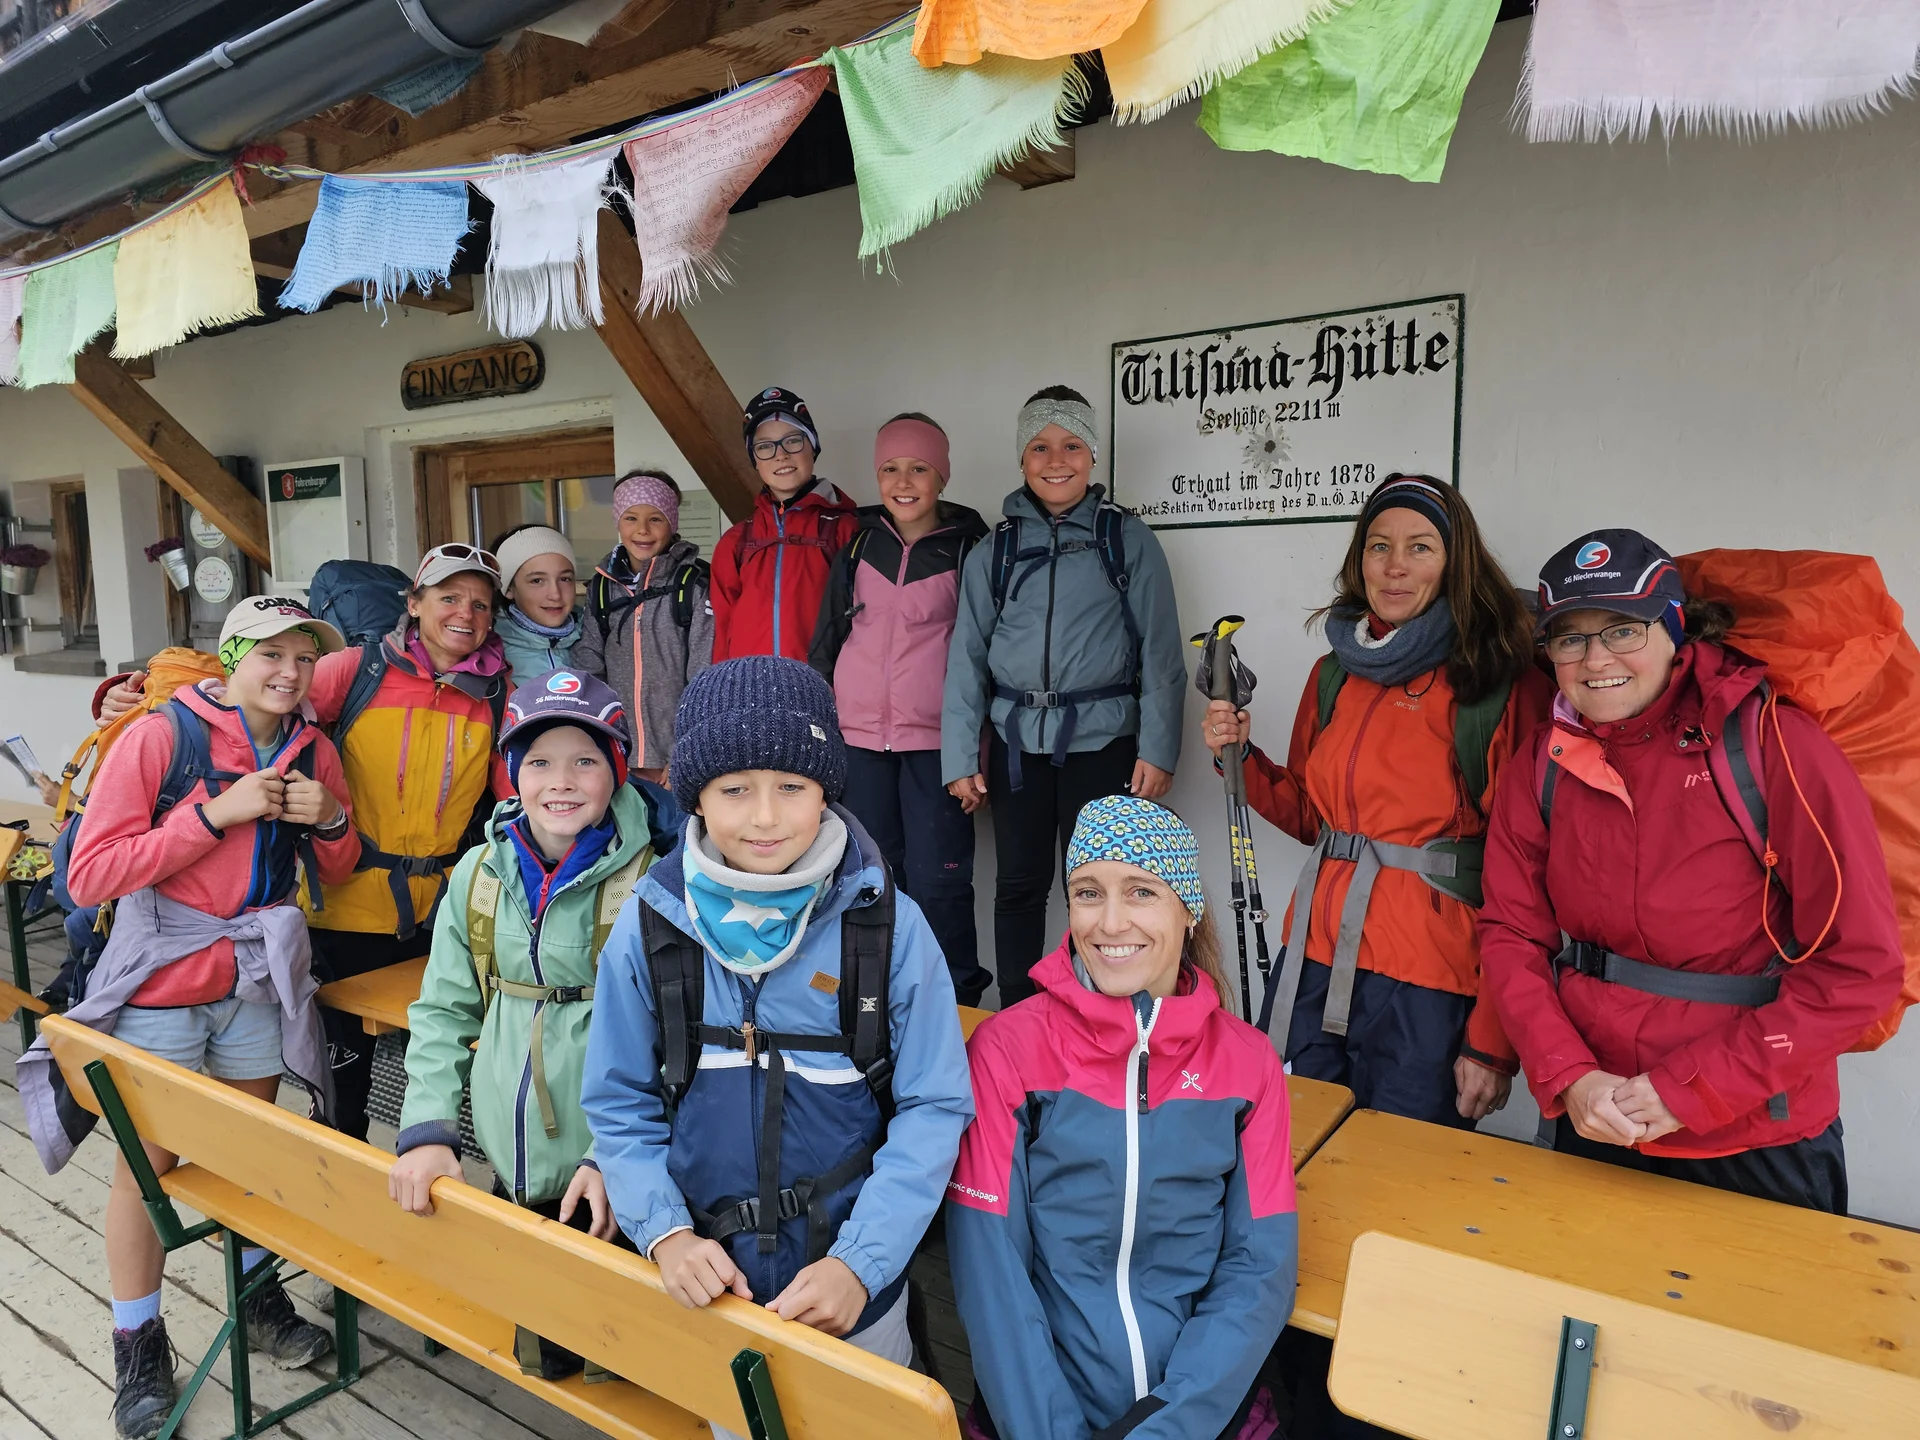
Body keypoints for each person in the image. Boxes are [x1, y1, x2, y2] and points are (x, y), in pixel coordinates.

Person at [581, 657, 973, 1437]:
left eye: (792, 786)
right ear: (695, 796)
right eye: (734, 789)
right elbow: (619, 1103)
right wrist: (665, 1233)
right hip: (711, 1291)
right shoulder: (653, 922)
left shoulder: (887, 927)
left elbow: (934, 1108)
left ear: (827, 789)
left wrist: (860, 1266)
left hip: (854, 1295)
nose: (765, 817)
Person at [1479, 528, 1903, 1213]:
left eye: (1623, 630)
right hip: (1599, 1116)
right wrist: (1568, 1075)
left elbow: (1860, 968)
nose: (1595, 660)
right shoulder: (1543, 759)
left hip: (1757, 1134)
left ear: (1675, 629)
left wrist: (1691, 1091)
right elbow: (1510, 931)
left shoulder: (1773, 743)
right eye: (1570, 638)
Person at [26, 596, 358, 1439]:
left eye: (303, 658)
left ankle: (254, 1299)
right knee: (150, 1169)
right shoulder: (160, 736)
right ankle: (137, 1344)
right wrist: (215, 814)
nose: (288, 672)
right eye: (269, 654)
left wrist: (332, 819)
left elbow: (343, 861)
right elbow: (91, 877)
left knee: (243, 1149)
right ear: (232, 655)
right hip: (161, 985)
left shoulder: (312, 743)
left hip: (252, 982)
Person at [947, 795, 1296, 1440]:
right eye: (1087, 892)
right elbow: (990, 1269)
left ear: (1186, 910)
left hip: (1204, 1416)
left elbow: (1259, 1270)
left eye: (1140, 892)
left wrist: (1167, 1431)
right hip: (1036, 1416)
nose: (1109, 922)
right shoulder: (1007, 1050)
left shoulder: (1249, 1066)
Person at [1203, 475, 1547, 1125]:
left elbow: (1528, 873)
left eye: (1420, 547)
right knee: (1295, 1154)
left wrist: (1494, 1041)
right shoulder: (1334, 672)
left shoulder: (1497, 678)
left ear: (1455, 561)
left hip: (1429, 981)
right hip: (1311, 959)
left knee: (1407, 1182)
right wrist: (1241, 762)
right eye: (1378, 546)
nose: (1394, 566)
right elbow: (1314, 818)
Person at [388, 669, 659, 1380]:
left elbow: (670, 1042)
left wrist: (612, 1157)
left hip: (611, 1168)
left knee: (623, 1358)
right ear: (511, 773)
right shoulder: (479, 873)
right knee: (545, 1348)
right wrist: (427, 1128)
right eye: (538, 761)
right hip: (511, 1159)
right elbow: (445, 1010)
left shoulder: (650, 885)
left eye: (586, 760)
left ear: (616, 771)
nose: (560, 781)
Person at [944, 384, 1186, 1005]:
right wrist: (960, 759)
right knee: (1019, 886)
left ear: (1093, 456)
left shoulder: (1125, 539)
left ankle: (1102, 1011)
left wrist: (1159, 749)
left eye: (1072, 445)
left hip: (1103, 741)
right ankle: (1022, 1018)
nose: (1057, 460)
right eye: (1041, 447)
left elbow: (1161, 653)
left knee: (1105, 887)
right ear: (1021, 460)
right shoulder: (993, 551)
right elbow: (966, 660)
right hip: (1017, 746)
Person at [811, 413, 992, 1005]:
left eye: (919, 467)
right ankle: (873, 999)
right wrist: (818, 740)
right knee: (870, 878)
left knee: (940, 882)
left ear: (941, 475)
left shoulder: (970, 548)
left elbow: (983, 657)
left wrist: (974, 753)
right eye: (890, 468)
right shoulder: (860, 545)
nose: (903, 480)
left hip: (937, 747)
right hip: (859, 743)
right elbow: (826, 647)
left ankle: (952, 1002)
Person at [573, 470, 714, 783]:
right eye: (631, 518)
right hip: (617, 757)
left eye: (656, 519)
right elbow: (590, 670)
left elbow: (704, 678)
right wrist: (599, 747)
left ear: (672, 524)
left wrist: (686, 750)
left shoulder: (693, 583)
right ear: (618, 523)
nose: (643, 530)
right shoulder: (601, 587)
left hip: (675, 760)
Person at [710, 387, 857, 663]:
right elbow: (720, 630)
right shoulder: (735, 542)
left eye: (792, 440)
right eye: (764, 446)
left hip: (822, 693)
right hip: (750, 694)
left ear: (812, 446)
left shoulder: (847, 531)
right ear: (755, 461)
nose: (780, 455)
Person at [492, 525, 582, 679]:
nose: (555, 594)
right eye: (537, 580)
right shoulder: (490, 654)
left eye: (565, 579)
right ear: (508, 589)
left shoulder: (597, 641)